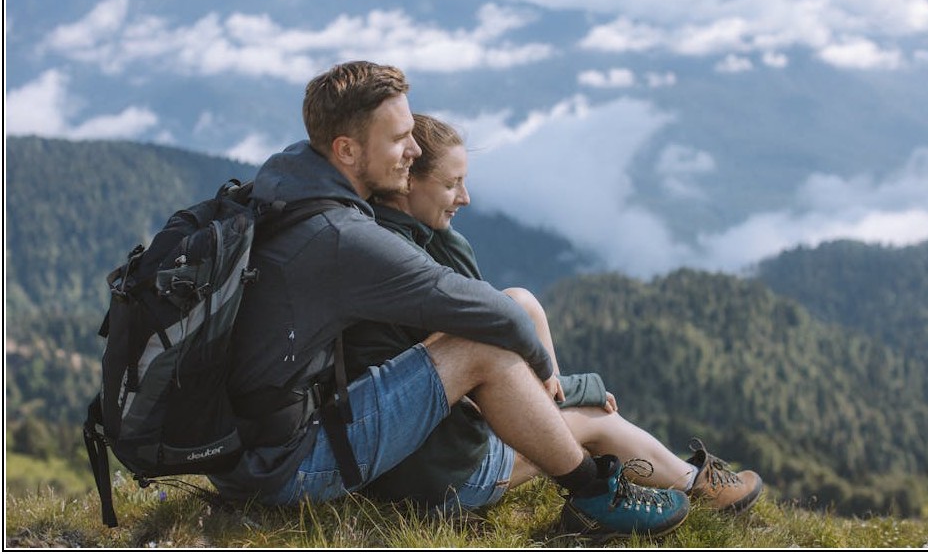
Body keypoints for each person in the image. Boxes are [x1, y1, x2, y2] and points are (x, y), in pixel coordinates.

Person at [208, 61, 691, 538]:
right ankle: (593, 495)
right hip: (286, 467)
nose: (413, 149)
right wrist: (551, 377)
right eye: (398, 139)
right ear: (347, 150)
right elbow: (489, 313)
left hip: (248, 452)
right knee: (480, 342)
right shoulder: (342, 237)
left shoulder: (287, 185)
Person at [346, 112, 762, 516]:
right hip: (442, 478)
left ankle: (565, 432)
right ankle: (700, 487)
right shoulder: (414, 268)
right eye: (452, 183)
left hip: (408, 448)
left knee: (520, 301)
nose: (466, 197)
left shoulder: (401, 236)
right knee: (598, 420)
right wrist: (587, 390)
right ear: (408, 182)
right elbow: (480, 374)